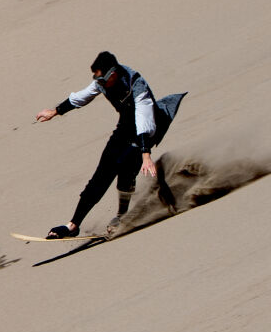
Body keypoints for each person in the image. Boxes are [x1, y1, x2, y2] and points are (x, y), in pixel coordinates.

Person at [33, 51, 171, 238]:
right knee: (102, 174)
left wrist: (146, 155)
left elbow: (144, 119)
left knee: (125, 170)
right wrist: (55, 111)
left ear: (112, 74)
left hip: (146, 131)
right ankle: (73, 225)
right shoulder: (102, 81)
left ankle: (122, 216)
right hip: (124, 128)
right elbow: (83, 96)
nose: (99, 83)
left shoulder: (136, 84)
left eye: (101, 79)